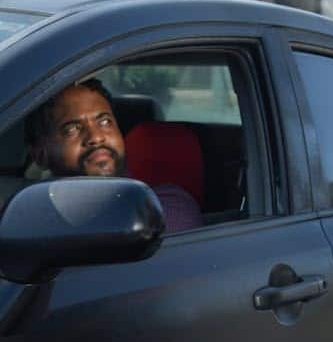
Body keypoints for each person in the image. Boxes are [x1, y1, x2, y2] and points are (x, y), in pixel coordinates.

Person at [25, 78, 203, 234]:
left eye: (104, 122)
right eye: (72, 129)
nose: (96, 137)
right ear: (41, 155)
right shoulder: (29, 216)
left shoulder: (166, 207)